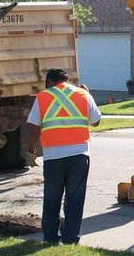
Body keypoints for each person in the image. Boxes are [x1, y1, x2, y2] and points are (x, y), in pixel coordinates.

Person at [25, 68, 102, 245]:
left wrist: (31, 151)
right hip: (79, 154)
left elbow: (34, 128)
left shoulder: (42, 97)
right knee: (75, 198)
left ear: (49, 81)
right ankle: (71, 238)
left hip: (53, 156)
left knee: (52, 197)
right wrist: (87, 94)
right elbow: (95, 122)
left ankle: (50, 237)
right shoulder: (83, 94)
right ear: (67, 80)